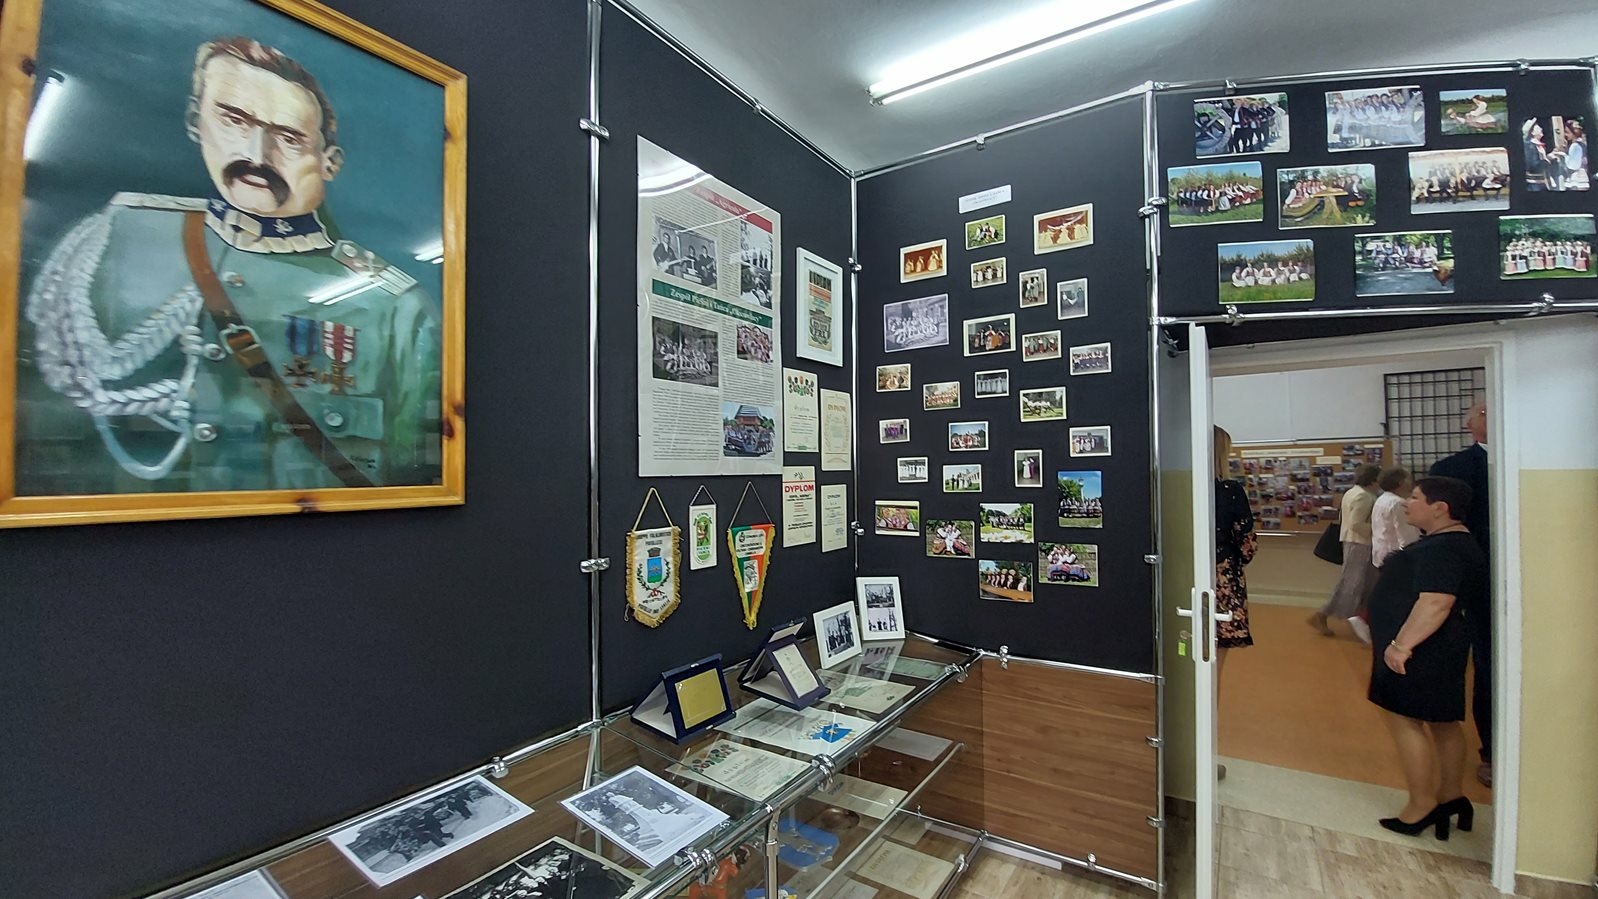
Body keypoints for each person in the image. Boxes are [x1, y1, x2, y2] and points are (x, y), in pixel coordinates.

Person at [19, 36, 441, 494]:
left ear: (329, 163)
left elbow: (409, 471)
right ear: (195, 121)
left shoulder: (393, 308)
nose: (256, 156)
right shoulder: (123, 236)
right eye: (234, 121)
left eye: (289, 138)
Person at [1368, 476, 1488, 838]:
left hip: (1423, 650)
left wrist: (1401, 646)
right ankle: (1451, 797)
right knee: (1442, 722)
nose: (1407, 503)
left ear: (1440, 508)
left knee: (1406, 721)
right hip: (1439, 647)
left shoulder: (1445, 548)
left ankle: (1422, 805)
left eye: (1416, 498)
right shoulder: (1451, 542)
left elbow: (1436, 602)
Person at [1429, 401, 1493, 787]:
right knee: (1486, 665)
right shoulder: (1452, 469)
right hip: (1477, 585)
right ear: (1470, 425)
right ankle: (1492, 751)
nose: (1491, 413)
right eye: (1483, 411)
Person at [1213, 428, 1256, 735]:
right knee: (1214, 661)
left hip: (1180, 576)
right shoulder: (1230, 491)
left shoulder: (1175, 487)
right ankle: (1207, 729)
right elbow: (1247, 543)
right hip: (1223, 580)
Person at [1309, 464, 1381, 641]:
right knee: (1353, 584)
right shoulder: (1364, 496)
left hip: (1355, 542)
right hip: (1360, 543)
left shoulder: (1353, 492)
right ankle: (1325, 614)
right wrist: (1379, 529)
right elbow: (1357, 524)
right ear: (1374, 480)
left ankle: (1362, 619)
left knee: (1361, 584)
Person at [1371, 466, 1420, 568]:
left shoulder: (1382, 499)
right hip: (1395, 555)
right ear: (1401, 482)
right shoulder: (1398, 503)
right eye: (1408, 479)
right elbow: (1406, 535)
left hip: (1381, 550)